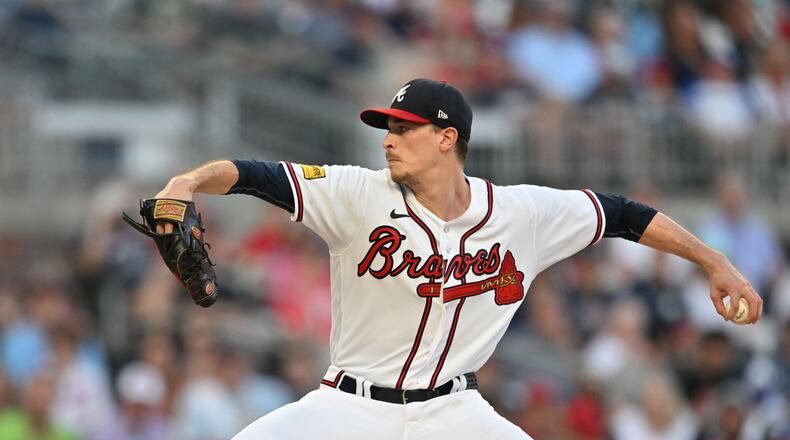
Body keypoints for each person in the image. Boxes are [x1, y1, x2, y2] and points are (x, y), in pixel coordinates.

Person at [149, 78, 763, 439]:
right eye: (386, 126)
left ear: (448, 139)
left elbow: (624, 215)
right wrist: (190, 181)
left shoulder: (520, 213)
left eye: (406, 128)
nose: (388, 138)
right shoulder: (357, 194)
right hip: (349, 409)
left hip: (455, 413)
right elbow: (257, 175)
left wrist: (715, 261)